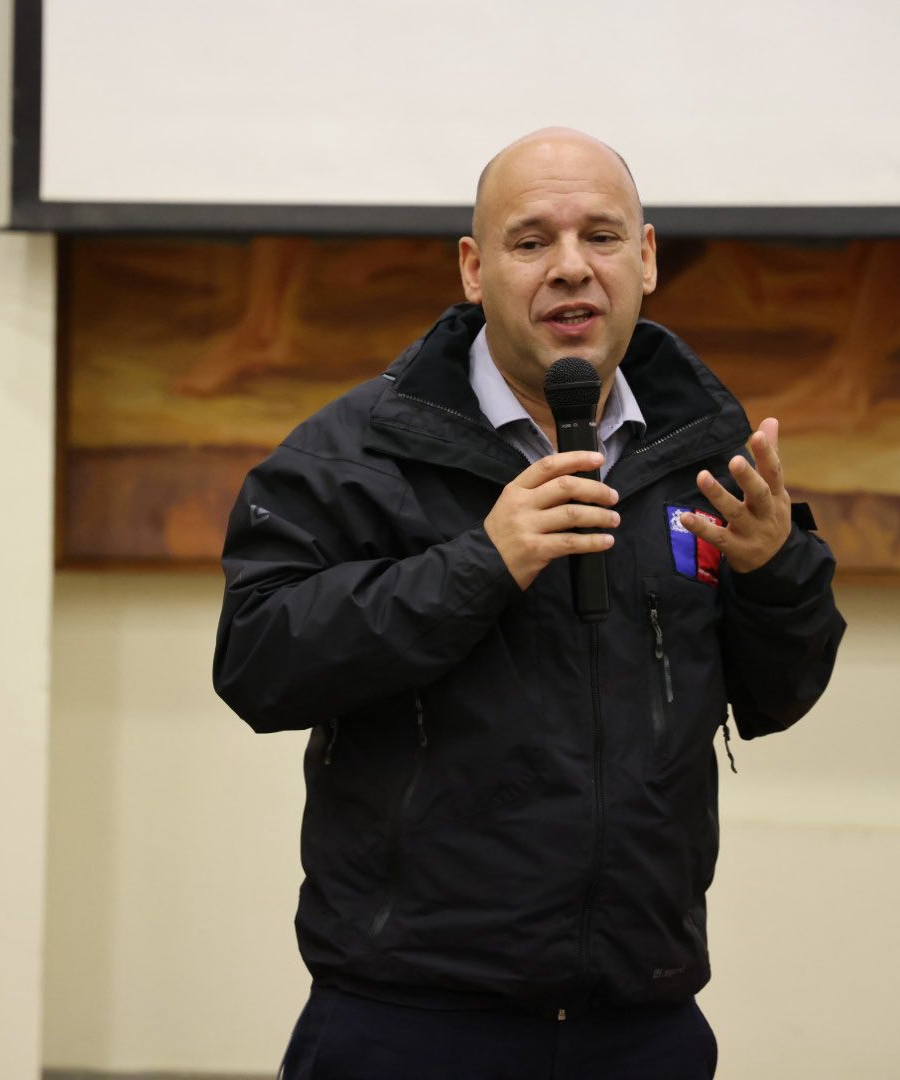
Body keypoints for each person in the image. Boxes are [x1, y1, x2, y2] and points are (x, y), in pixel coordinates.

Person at [212, 128, 845, 1079]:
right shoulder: (355, 454)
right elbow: (258, 662)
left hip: (639, 1016)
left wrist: (773, 572)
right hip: (409, 1018)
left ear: (647, 258)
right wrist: (481, 563)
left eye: (602, 236)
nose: (571, 268)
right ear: (475, 269)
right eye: (532, 241)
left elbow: (779, 695)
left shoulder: (704, 455)